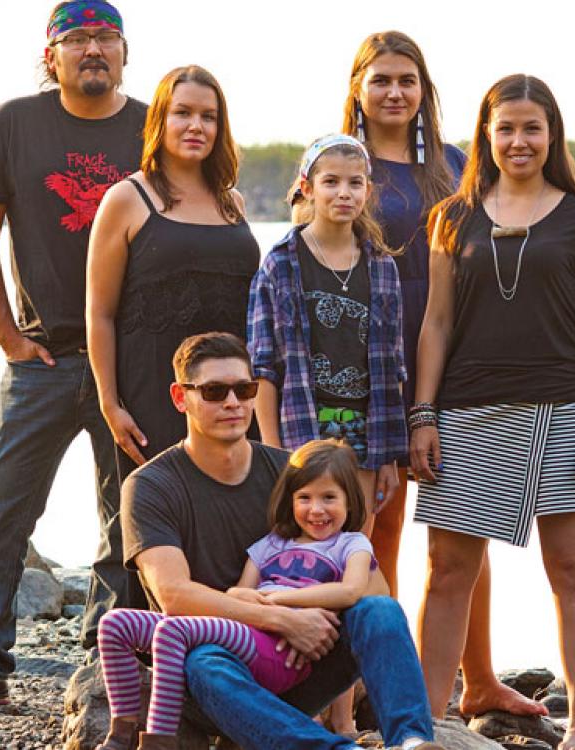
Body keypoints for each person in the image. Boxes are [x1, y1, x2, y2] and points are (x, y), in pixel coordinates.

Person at [0, 0, 147, 707]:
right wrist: (8, 335)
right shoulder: (13, 122)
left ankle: (109, 654)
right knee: (2, 508)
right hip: (42, 360)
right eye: (77, 39)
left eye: (106, 37)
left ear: (126, 54)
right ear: (52, 58)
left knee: (126, 513)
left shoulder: (152, 126)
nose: (93, 49)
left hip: (131, 360)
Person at [411, 74, 575, 750]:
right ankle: (430, 721)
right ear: (487, 136)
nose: (519, 140)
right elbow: (436, 324)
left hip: (565, 410)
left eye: (532, 128)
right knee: (448, 571)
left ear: (551, 135)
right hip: (466, 412)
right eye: (506, 128)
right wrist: (423, 414)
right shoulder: (452, 218)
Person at [343, 33, 543, 720]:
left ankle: (479, 678)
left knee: (465, 530)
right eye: (382, 80)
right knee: (378, 531)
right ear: (359, 90)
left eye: (408, 80)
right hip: (367, 371)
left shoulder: (458, 166)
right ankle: (377, 672)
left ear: (424, 90)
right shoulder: (342, 164)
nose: (395, 92)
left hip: (453, 370)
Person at [121, 332, 442, 749]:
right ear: (181, 398)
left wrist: (311, 615)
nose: (233, 403)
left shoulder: (288, 473)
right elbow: (175, 596)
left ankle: (414, 740)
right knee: (203, 662)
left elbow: (371, 586)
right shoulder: (151, 486)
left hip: (299, 661)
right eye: (215, 391)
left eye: (244, 388)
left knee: (379, 611)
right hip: (216, 672)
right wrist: (282, 619)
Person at [95, 439, 376, 750]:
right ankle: (120, 737)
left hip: (273, 649)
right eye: (304, 498)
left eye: (245, 390)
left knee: (172, 630)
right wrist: (273, 610)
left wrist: (309, 613)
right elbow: (234, 592)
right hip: (241, 629)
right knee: (113, 624)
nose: (316, 509)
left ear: (349, 502)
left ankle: (159, 742)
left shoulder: (347, 543)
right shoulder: (273, 542)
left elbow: (367, 594)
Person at [87, 64, 259, 481]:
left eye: (208, 116)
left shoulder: (231, 202)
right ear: (160, 120)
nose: (195, 125)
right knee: (156, 518)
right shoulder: (127, 199)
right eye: (183, 113)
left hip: (231, 395)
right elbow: (100, 313)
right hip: (153, 395)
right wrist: (111, 404)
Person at [248, 134, 406, 525]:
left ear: (368, 191)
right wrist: (273, 452)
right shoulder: (281, 263)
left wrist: (387, 455)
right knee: (305, 542)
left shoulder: (382, 266)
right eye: (331, 182)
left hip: (365, 435)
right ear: (308, 188)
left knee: (355, 544)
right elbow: (263, 367)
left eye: (355, 183)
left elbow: (393, 367)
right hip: (302, 426)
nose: (344, 193)